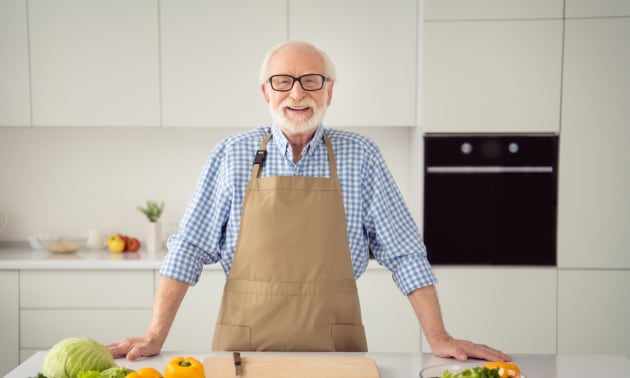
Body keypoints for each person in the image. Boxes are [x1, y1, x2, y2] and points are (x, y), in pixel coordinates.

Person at [108, 40, 511, 362]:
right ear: (265, 91)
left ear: (329, 91)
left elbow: (405, 253)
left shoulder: (362, 156)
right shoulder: (231, 154)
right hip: (241, 351)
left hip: (336, 352)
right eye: (282, 81)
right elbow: (189, 249)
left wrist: (438, 337)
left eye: (311, 81)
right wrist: (154, 334)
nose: (297, 93)